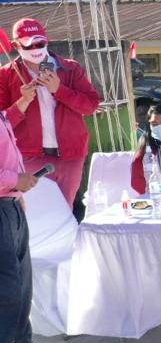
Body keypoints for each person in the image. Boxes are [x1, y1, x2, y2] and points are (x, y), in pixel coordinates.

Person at [0, 18, 100, 206]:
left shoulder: (70, 68)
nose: (36, 48)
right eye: (29, 45)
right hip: (29, 157)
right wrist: (23, 101)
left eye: (40, 43)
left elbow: (91, 106)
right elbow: (2, 127)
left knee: (64, 212)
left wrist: (60, 90)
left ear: (47, 40)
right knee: (37, 216)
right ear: (15, 45)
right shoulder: (6, 75)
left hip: (70, 156)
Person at [1, 107, 57, 343]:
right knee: (5, 291)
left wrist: (18, 192)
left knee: (22, 285)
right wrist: (13, 181)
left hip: (10, 206)